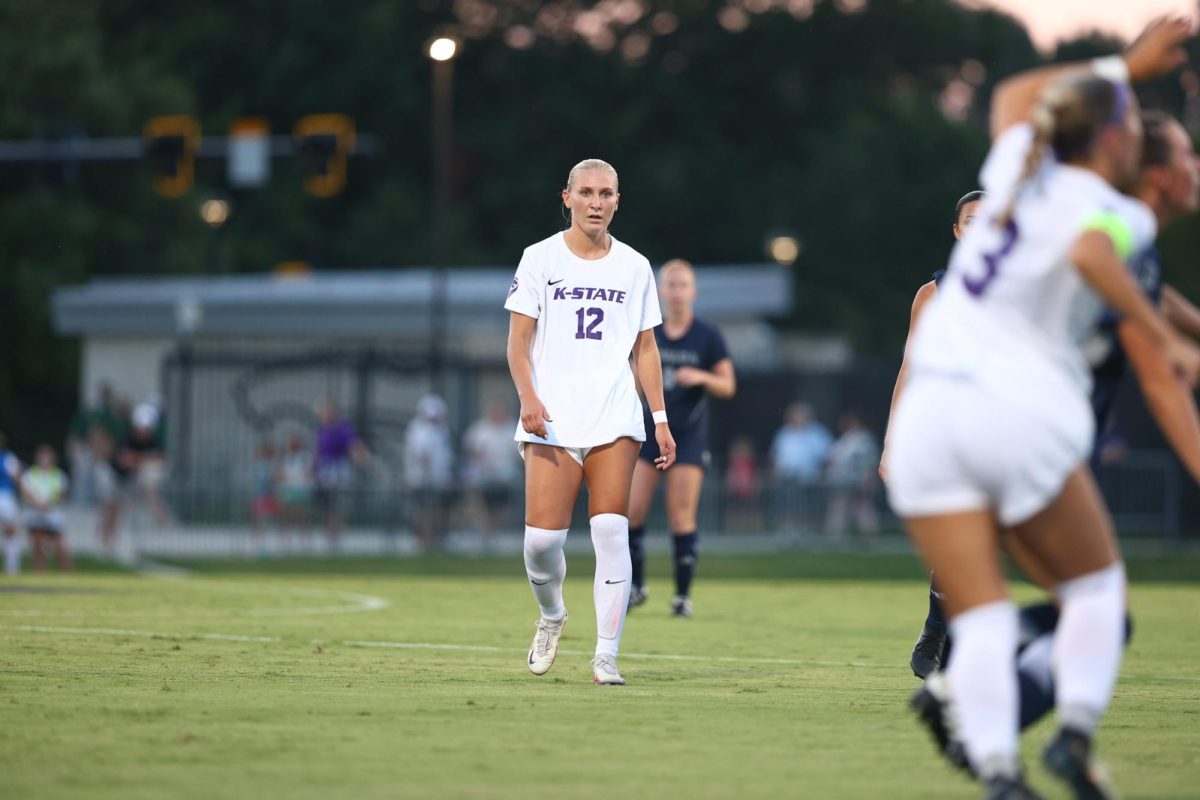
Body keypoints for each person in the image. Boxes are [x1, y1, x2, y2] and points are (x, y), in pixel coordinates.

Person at [886, 18, 1200, 799]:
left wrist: (1122, 65)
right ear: (1131, 156)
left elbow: (1019, 93)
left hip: (931, 421)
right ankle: (1074, 738)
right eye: (1188, 154)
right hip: (1018, 410)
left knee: (982, 615)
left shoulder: (1017, 173)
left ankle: (999, 773)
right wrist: (1169, 338)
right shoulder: (1117, 216)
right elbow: (1104, 269)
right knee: (1099, 600)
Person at [505, 157, 674, 686]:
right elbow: (518, 341)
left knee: (609, 531)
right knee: (540, 543)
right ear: (568, 198)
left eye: (606, 194)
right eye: (588, 193)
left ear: (617, 201)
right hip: (552, 417)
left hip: (614, 415)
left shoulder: (635, 266)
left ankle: (606, 655)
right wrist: (528, 398)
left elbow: (646, 349)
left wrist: (660, 418)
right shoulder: (539, 258)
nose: (596, 202)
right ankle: (553, 615)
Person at [882, 190, 986, 678]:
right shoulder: (935, 294)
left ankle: (944, 629)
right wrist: (891, 442)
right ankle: (943, 635)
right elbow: (909, 369)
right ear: (958, 231)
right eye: (972, 220)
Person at [626, 259, 735, 617]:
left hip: (687, 436)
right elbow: (631, 372)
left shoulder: (707, 336)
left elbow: (727, 385)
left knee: (680, 515)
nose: (676, 291)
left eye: (683, 284)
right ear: (660, 290)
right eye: (670, 284)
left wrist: (701, 377)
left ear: (693, 291)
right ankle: (636, 587)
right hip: (649, 432)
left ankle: (682, 596)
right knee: (632, 511)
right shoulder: (648, 332)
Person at [461, 401, 522, 546]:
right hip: (484, 478)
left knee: (500, 508)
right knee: (483, 507)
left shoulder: (511, 428)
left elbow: (518, 452)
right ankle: (487, 533)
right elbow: (469, 448)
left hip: (505, 477)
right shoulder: (480, 429)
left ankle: (493, 533)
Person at [313, 399, 371, 550]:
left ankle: (335, 539)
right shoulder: (321, 429)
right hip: (323, 473)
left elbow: (355, 447)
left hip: (337, 473)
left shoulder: (342, 430)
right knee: (326, 508)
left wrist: (364, 460)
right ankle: (330, 537)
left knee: (335, 507)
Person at [403, 394, 455, 552]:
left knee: (435, 510)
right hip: (422, 479)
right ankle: (424, 541)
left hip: (438, 479)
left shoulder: (442, 430)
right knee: (425, 510)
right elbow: (420, 455)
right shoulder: (418, 430)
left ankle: (432, 540)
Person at [768, 402, 832, 531]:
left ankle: (808, 531)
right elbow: (776, 454)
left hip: (810, 478)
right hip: (787, 477)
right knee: (787, 506)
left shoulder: (817, 433)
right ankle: (788, 531)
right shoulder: (784, 433)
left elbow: (828, 454)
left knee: (809, 507)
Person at [823, 412, 879, 539]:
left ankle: (869, 534)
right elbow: (832, 458)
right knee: (839, 506)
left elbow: (870, 462)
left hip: (858, 479)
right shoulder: (844, 440)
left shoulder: (864, 440)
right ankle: (836, 534)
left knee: (862, 506)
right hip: (842, 479)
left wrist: (869, 478)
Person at [21, 445, 71, 573]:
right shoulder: (30, 474)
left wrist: (48, 504)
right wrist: (37, 504)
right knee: (38, 545)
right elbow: (26, 493)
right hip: (35, 513)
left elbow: (61, 493)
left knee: (58, 547)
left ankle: (67, 574)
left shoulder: (59, 475)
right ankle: (39, 573)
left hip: (52, 513)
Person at [277, 433, 314, 551]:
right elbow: (279, 475)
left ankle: (305, 544)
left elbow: (308, 474)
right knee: (286, 518)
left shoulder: (305, 457)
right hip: (287, 490)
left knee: (302, 518)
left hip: (301, 490)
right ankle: (285, 544)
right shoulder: (284, 458)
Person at [723, 437, 762, 531]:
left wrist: (755, 488)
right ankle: (733, 530)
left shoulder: (751, 464)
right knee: (733, 512)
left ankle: (753, 530)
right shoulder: (733, 464)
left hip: (749, 492)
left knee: (751, 512)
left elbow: (755, 477)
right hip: (735, 493)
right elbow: (729, 477)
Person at [249, 439, 280, 556]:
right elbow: (266, 480)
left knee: (265, 523)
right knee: (260, 522)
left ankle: (263, 546)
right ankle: (259, 546)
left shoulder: (269, 465)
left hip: (267, 496)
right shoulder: (261, 465)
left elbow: (273, 481)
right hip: (262, 496)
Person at [0, 434, 22, 575]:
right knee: (10, 533)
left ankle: (12, 569)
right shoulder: (9, 459)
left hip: (5, 497)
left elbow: (17, 477)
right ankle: (12, 569)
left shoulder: (8, 458)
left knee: (10, 532)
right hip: (6, 498)